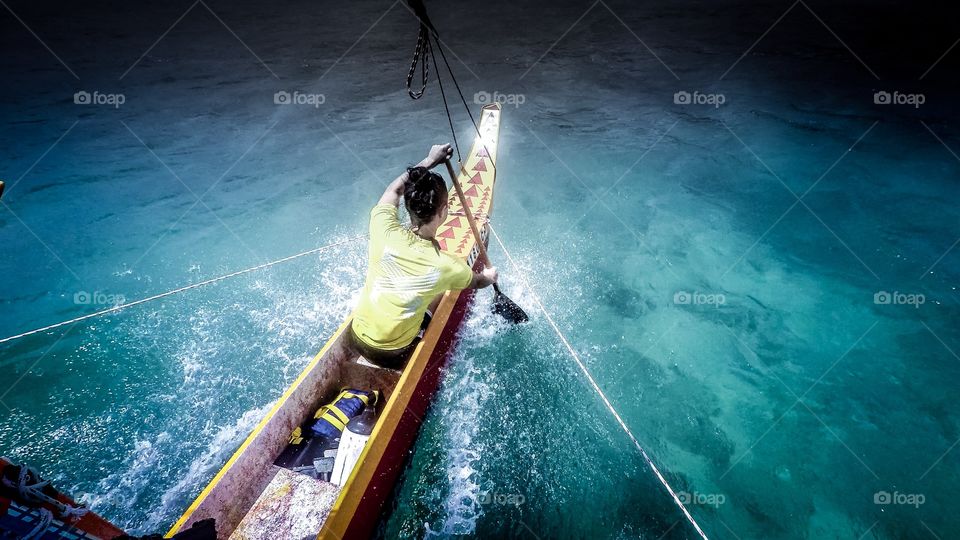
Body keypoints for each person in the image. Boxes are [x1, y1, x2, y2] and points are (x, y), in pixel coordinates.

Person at [347, 143, 498, 369]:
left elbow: (393, 190)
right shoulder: (448, 266)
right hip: (393, 355)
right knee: (439, 296)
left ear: (409, 206)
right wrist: (490, 276)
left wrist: (429, 160)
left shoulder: (383, 228)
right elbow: (478, 281)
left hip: (356, 338)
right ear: (445, 210)